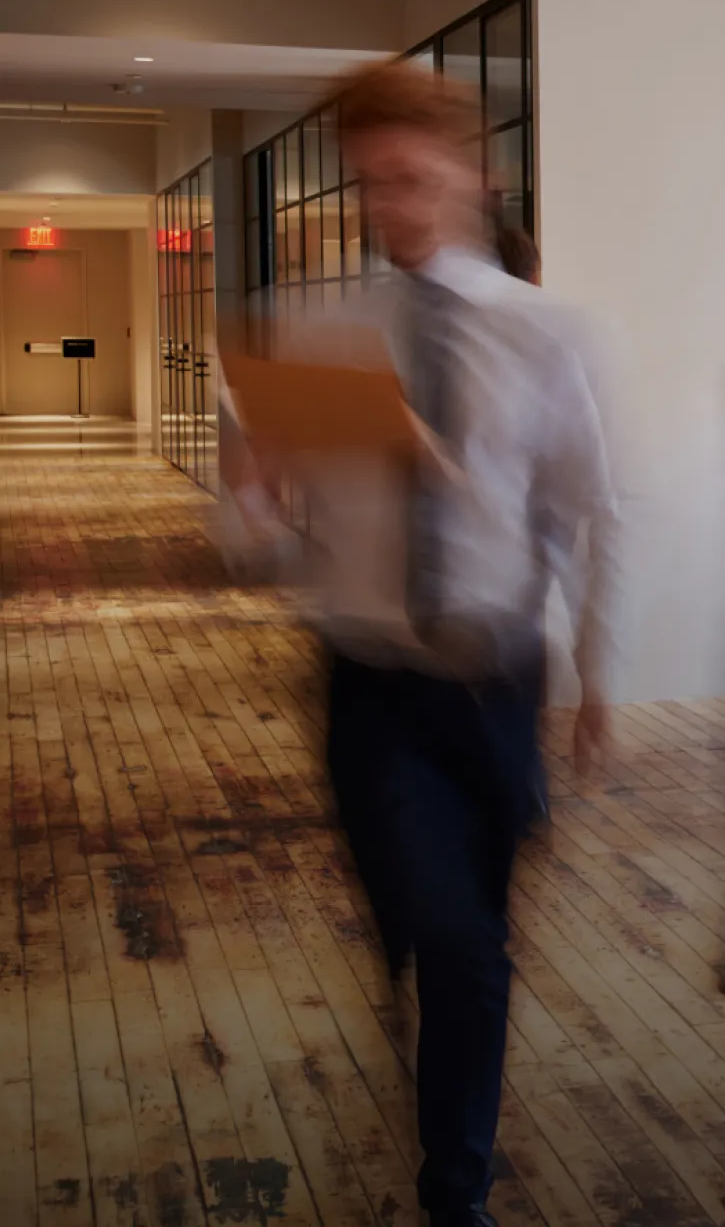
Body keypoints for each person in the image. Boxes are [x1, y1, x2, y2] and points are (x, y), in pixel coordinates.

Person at [231, 62, 620, 1227]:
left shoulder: (547, 331)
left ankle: (451, 1164)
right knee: (444, 937)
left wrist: (600, 675)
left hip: (496, 680)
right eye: (369, 183)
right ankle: (457, 1198)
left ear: (469, 172)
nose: (387, 204)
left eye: (409, 177)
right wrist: (252, 493)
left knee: (467, 944)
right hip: (372, 682)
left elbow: (584, 510)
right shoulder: (317, 329)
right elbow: (250, 535)